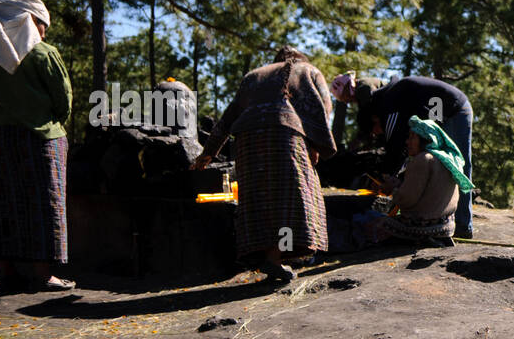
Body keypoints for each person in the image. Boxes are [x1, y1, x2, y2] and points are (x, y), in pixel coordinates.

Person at [0, 0, 74, 291]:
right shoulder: (43, 53)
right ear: (27, 22)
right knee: (43, 204)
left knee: (1, 204)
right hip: (40, 137)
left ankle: (7, 270)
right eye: (40, 23)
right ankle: (43, 273)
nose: (44, 31)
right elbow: (63, 102)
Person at [193, 47, 335, 283]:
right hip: (284, 135)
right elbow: (323, 106)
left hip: (246, 140)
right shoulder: (306, 70)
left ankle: (270, 258)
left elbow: (228, 116)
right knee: (290, 203)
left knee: (260, 198)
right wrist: (316, 145)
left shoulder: (255, 75)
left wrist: (208, 152)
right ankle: (278, 259)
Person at [330, 73, 475, 239]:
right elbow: (404, 151)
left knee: (456, 165)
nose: (377, 134)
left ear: (375, 119)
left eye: (375, 130)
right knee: (433, 163)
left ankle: (464, 225)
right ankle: (442, 219)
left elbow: (395, 151)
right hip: (439, 110)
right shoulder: (389, 102)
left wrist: (388, 179)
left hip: (454, 109)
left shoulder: (389, 107)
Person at [363, 116, 473, 246]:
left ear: (425, 139)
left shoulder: (422, 159)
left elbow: (406, 200)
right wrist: (398, 184)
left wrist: (391, 190)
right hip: (446, 226)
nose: (407, 142)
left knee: (369, 222)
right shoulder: (447, 160)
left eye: (412, 137)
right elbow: (428, 191)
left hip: (424, 228)